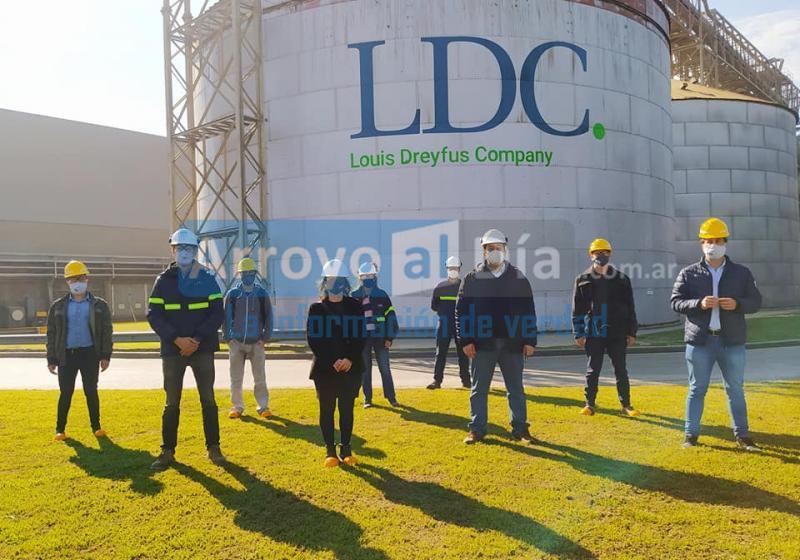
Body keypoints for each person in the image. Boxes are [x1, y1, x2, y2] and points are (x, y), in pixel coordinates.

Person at [671, 218, 762, 451]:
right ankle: (690, 435)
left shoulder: (741, 273)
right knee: (696, 389)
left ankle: (742, 435)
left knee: (735, 389)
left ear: (725, 243)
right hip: (700, 342)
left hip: (732, 341)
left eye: (718, 240)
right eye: (708, 241)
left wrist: (738, 304)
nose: (713, 245)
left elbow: (756, 301)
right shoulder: (688, 273)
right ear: (701, 243)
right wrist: (698, 303)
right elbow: (676, 302)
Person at [147, 228, 226, 470]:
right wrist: (177, 340)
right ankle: (167, 451)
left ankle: (214, 448)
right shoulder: (162, 282)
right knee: (172, 402)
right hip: (173, 351)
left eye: (189, 248)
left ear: (195, 251)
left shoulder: (207, 278)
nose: (184, 252)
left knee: (208, 399)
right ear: (172, 250)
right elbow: (154, 315)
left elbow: (217, 313)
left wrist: (197, 339)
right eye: (180, 248)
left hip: (202, 349)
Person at [456, 229, 537, 445]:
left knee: (516, 389)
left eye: (498, 248)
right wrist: (466, 340)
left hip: (513, 344)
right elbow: (461, 311)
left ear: (505, 250)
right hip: (482, 344)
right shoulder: (472, 278)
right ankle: (476, 429)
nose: (494, 251)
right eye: (490, 248)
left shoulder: (518, 277)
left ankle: (520, 429)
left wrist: (530, 340)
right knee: (479, 390)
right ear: (484, 251)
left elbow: (528, 310)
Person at [306, 259, 366, 467]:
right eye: (331, 280)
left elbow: (360, 336)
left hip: (351, 368)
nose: (335, 285)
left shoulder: (355, 306)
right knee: (327, 410)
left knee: (347, 409)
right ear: (324, 283)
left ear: (345, 283)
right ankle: (330, 451)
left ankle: (346, 449)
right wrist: (332, 361)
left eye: (339, 280)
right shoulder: (316, 309)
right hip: (325, 370)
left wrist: (349, 359)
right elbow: (314, 339)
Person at [572, 238, 640, 417]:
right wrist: (578, 332)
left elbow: (630, 307)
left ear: (610, 254)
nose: (601, 255)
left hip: (617, 331)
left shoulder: (621, 279)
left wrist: (631, 331)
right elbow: (577, 309)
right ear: (591, 255)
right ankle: (589, 404)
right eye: (597, 252)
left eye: (605, 252)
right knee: (593, 370)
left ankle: (626, 405)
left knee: (621, 370)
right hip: (594, 331)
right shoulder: (583, 280)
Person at [46, 260, 113, 441]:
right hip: (66, 356)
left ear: (87, 279)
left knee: (91, 390)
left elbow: (106, 331)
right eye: (73, 279)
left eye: (81, 278)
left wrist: (105, 355)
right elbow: (51, 333)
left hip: (89, 354)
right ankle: (60, 429)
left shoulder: (99, 305)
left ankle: (96, 427)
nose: (78, 282)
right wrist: (51, 358)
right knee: (66, 392)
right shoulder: (58, 306)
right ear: (67, 281)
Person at [224, 257, 273, 420]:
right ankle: (237, 407)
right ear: (240, 274)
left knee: (260, 378)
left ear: (255, 274)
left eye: (251, 273)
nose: (248, 276)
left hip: (256, 343)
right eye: (245, 273)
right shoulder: (232, 294)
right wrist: (228, 338)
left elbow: (269, 317)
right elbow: (226, 317)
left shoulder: (261, 294)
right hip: (236, 343)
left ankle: (263, 406)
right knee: (236, 378)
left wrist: (265, 338)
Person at [351, 261, 399, 408]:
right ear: (360, 277)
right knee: (365, 370)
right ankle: (368, 399)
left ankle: (391, 398)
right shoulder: (354, 296)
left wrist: (389, 337)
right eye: (364, 276)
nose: (367, 279)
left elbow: (391, 318)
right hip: (362, 340)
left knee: (385, 368)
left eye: (370, 276)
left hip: (381, 338)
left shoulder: (382, 295)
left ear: (375, 277)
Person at [427, 256, 470, 389]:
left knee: (463, 353)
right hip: (444, 324)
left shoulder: (466, 286)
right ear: (446, 269)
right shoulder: (440, 287)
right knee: (441, 353)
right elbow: (434, 306)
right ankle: (437, 381)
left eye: (455, 268)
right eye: (451, 268)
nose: (453, 270)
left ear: (459, 269)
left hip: (461, 325)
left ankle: (466, 381)